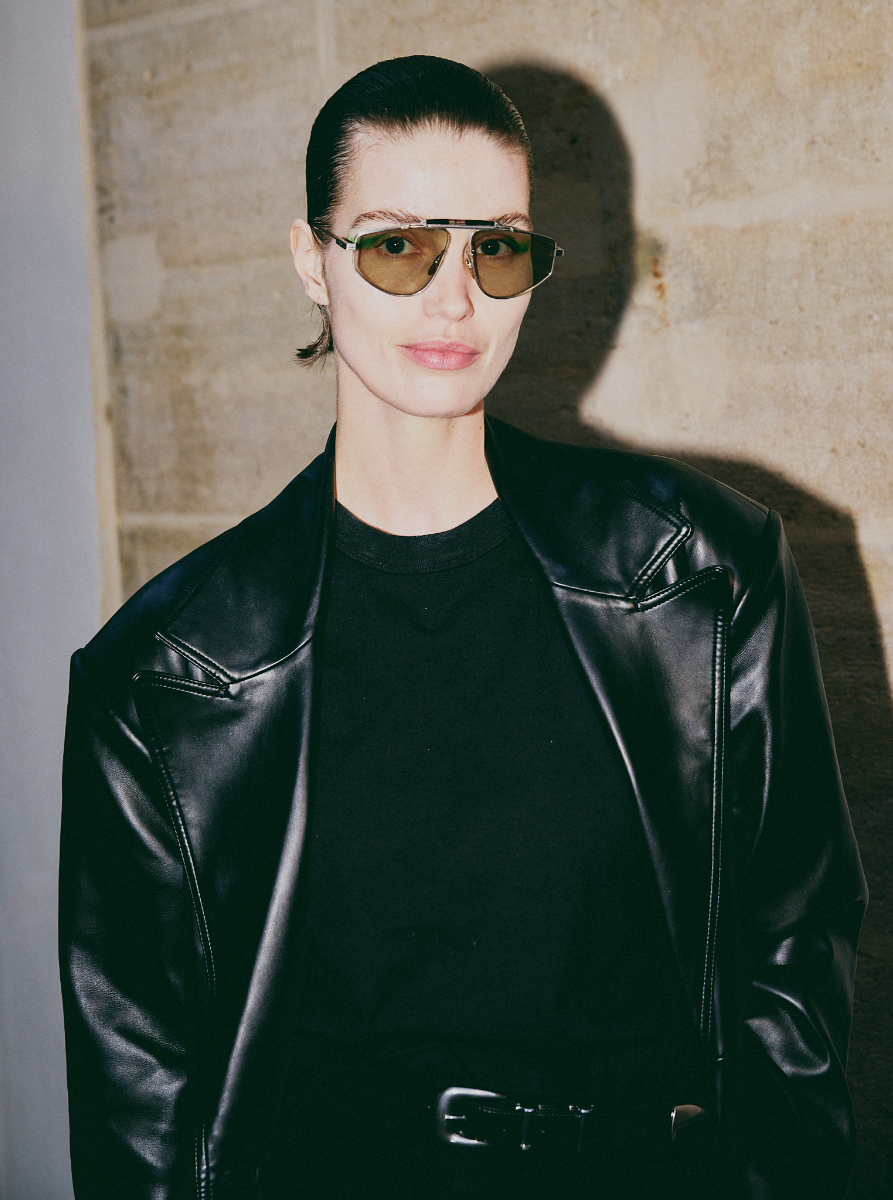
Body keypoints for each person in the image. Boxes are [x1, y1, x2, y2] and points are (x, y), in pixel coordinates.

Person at [59, 56, 866, 1200]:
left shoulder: (701, 572)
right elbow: (142, 1097)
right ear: (311, 262)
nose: (455, 299)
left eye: (497, 248)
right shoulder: (166, 674)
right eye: (398, 245)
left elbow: (793, 950)